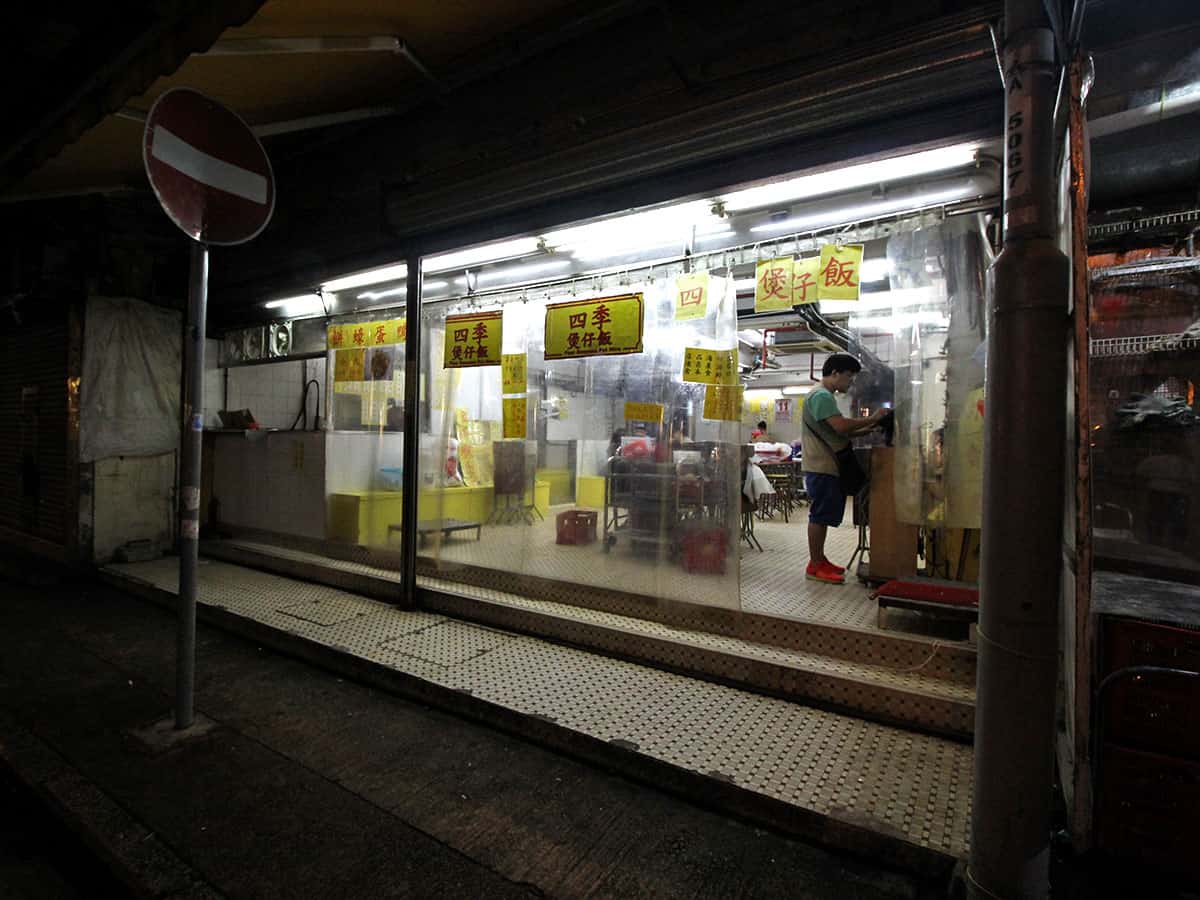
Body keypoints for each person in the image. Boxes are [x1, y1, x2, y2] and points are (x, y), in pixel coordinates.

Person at [801, 353, 888, 585]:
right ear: (835, 373)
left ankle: (820, 559)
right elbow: (840, 426)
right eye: (849, 377)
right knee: (819, 515)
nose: (850, 383)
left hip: (826, 465)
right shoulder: (821, 396)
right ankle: (815, 565)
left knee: (825, 513)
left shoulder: (823, 395)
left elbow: (839, 431)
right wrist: (872, 419)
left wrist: (870, 428)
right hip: (822, 465)